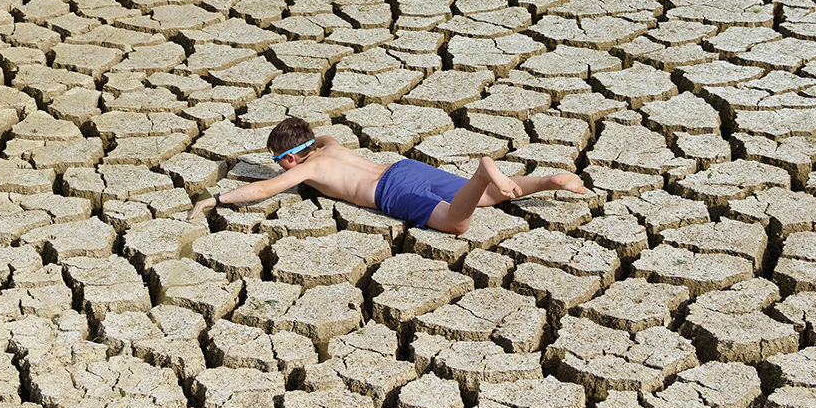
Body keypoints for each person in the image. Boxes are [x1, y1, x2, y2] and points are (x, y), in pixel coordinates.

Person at [188, 117, 588, 234]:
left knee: (456, 223)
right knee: (489, 199)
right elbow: (324, 133)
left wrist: (215, 199)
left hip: (389, 191)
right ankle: (551, 180)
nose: (279, 168)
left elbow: (261, 189)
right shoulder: (329, 146)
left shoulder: (309, 168)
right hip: (405, 167)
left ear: (290, 160)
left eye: (279, 160)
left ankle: (485, 170)